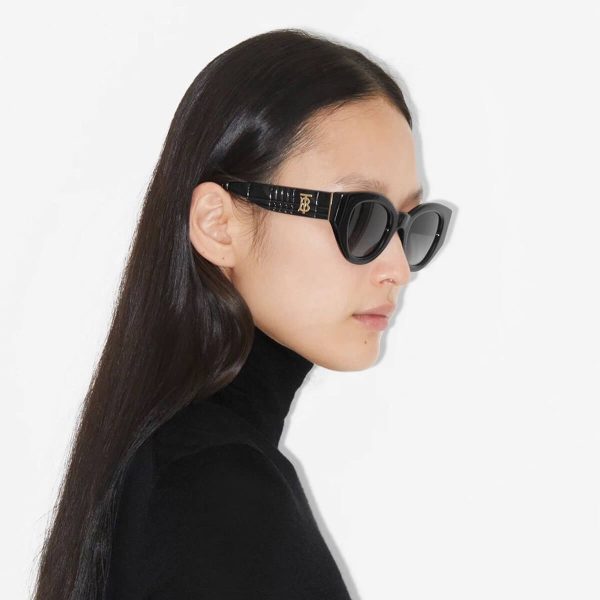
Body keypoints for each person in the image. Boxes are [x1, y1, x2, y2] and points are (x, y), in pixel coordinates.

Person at [32, 28, 452, 600]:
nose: (398, 268)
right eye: (362, 216)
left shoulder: (173, 468)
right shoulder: (215, 486)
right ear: (219, 225)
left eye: (410, 225)